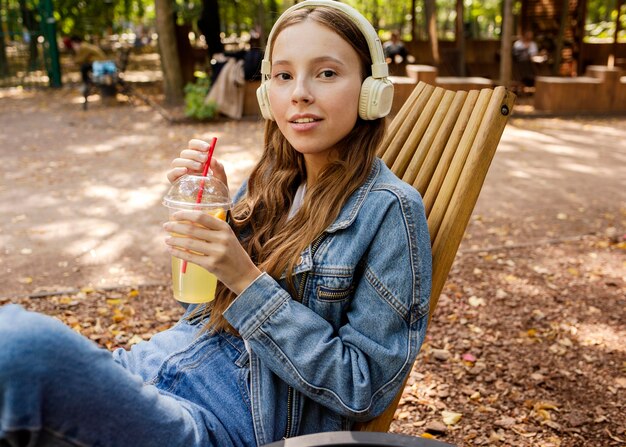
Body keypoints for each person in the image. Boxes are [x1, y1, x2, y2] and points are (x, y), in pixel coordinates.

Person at [0, 1, 432, 446]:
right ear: (268, 93)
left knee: (21, 346)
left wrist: (246, 280)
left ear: (370, 90)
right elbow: (198, 313)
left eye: (326, 73)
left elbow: (364, 387)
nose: (299, 93)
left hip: (216, 423)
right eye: (283, 76)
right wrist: (223, 211)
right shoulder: (271, 180)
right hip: (151, 370)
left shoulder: (390, 210)